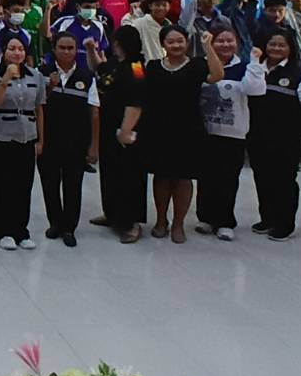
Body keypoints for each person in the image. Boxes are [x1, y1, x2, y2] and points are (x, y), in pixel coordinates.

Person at [129, 25, 223, 244]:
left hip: (188, 129)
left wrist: (208, 47)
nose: (176, 45)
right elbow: (137, 80)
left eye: (180, 41)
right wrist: (133, 58)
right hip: (158, 129)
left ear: (187, 42)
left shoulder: (197, 65)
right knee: (161, 177)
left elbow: (218, 75)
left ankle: (179, 223)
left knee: (183, 178)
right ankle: (161, 220)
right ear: (163, 44)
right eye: (170, 41)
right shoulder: (153, 66)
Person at [194, 27, 266, 240]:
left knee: (228, 179)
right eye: (220, 41)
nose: (225, 45)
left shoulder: (245, 67)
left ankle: (225, 221)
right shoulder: (202, 65)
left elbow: (255, 89)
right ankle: (205, 218)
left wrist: (255, 61)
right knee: (206, 177)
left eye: (230, 41)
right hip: (205, 132)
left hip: (233, 134)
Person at [246, 30, 301, 242]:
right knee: (261, 176)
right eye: (272, 44)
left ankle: (285, 223)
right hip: (257, 134)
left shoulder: (299, 75)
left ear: (290, 49)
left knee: (284, 179)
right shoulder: (255, 68)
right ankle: (267, 218)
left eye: (281, 45)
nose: (276, 49)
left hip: (287, 137)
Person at [0, 36, 46, 250]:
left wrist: (40, 139)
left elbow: (39, 108)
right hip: (0, 135)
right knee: (1, 184)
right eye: (12, 49)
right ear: (2, 51)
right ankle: (1, 230)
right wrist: (5, 79)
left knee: (23, 184)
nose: (17, 53)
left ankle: (20, 230)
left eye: (21, 49)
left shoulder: (35, 75)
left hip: (27, 135)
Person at [38, 32, 99, 247]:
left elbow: (94, 113)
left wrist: (94, 146)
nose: (66, 52)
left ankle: (69, 227)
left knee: (73, 185)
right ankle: (55, 223)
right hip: (48, 140)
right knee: (49, 183)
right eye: (62, 48)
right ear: (54, 49)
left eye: (70, 48)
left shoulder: (87, 76)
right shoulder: (42, 73)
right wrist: (49, 87)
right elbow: (36, 105)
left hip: (76, 142)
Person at [88, 26, 147, 243]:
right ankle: (111, 213)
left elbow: (137, 100)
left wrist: (126, 129)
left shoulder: (136, 66)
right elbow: (98, 68)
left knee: (128, 176)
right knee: (109, 172)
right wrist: (91, 49)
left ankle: (131, 222)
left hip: (126, 129)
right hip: (107, 127)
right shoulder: (114, 63)